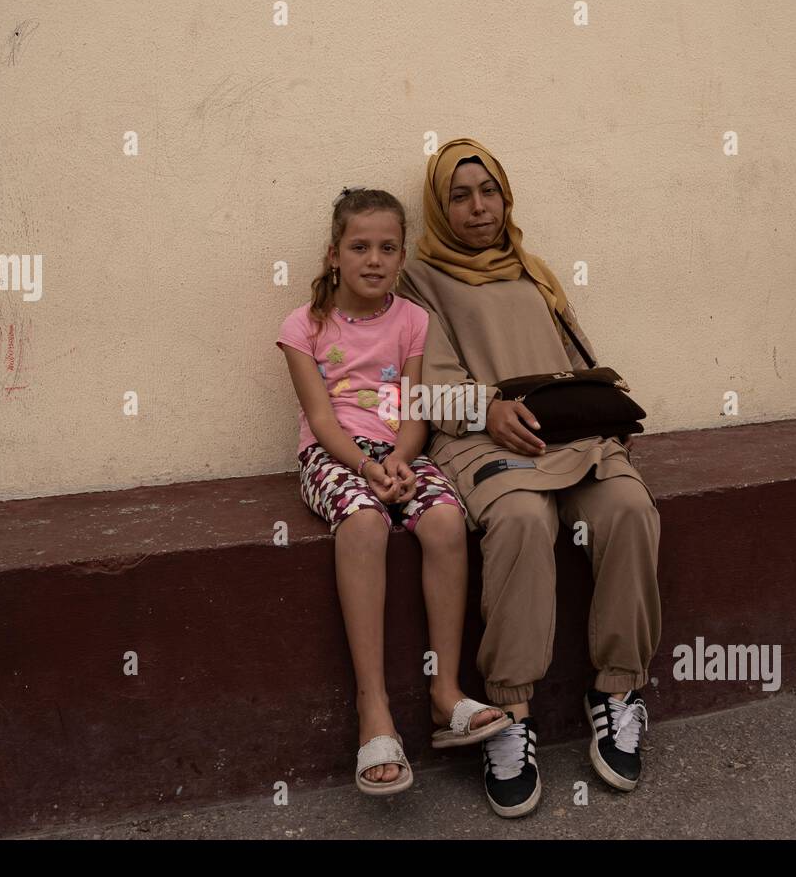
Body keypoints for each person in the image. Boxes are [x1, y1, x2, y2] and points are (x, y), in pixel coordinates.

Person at [396, 139, 664, 818]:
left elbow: (577, 359)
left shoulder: (533, 269)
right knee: (521, 521)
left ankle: (616, 690)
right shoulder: (421, 278)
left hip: (561, 433)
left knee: (629, 506)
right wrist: (488, 406)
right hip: (480, 437)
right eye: (460, 195)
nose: (478, 206)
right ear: (439, 204)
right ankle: (510, 710)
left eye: (489, 191)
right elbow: (427, 391)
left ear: (506, 196)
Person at [275, 186, 510, 796]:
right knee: (363, 522)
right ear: (333, 254)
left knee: (444, 522)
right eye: (359, 247)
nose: (373, 260)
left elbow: (411, 407)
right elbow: (323, 421)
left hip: (398, 452)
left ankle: (445, 692)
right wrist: (367, 467)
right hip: (333, 456)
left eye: (386, 248)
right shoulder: (303, 327)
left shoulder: (413, 319)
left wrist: (403, 460)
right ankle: (373, 709)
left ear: (402, 257)